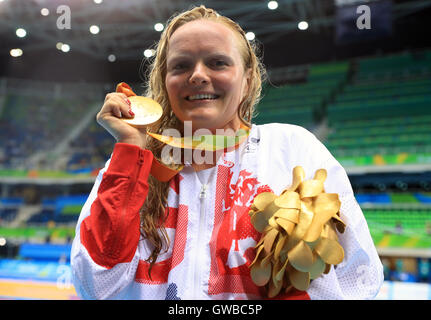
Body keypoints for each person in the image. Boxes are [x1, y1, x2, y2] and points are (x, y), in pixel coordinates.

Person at [71, 5, 383, 300]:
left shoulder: (292, 151)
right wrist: (129, 150)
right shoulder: (135, 161)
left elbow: (358, 279)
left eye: (217, 62)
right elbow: (96, 286)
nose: (197, 75)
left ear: (248, 80)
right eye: (180, 65)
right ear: (165, 81)